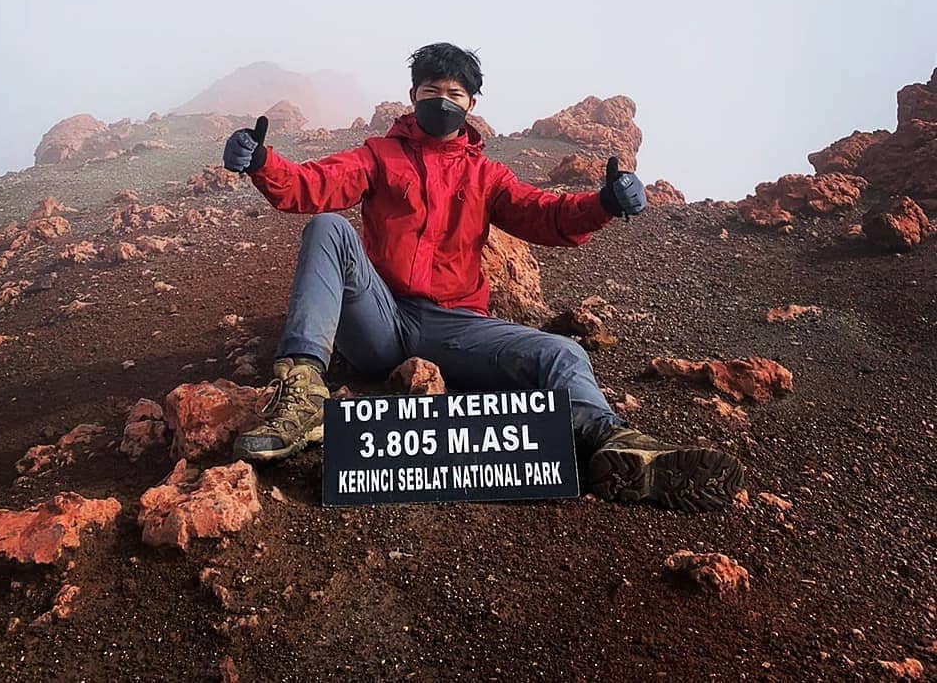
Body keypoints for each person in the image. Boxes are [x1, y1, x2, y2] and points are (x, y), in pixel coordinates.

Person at [222, 42, 744, 512]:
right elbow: (315, 183)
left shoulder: (485, 174)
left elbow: (544, 214)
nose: (442, 100)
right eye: (431, 90)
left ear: (471, 104)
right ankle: (302, 395)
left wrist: (603, 203)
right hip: (380, 321)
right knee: (328, 227)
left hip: (456, 325)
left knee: (563, 353)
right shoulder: (379, 156)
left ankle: (615, 446)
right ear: (412, 95)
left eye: (455, 92)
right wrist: (263, 162)